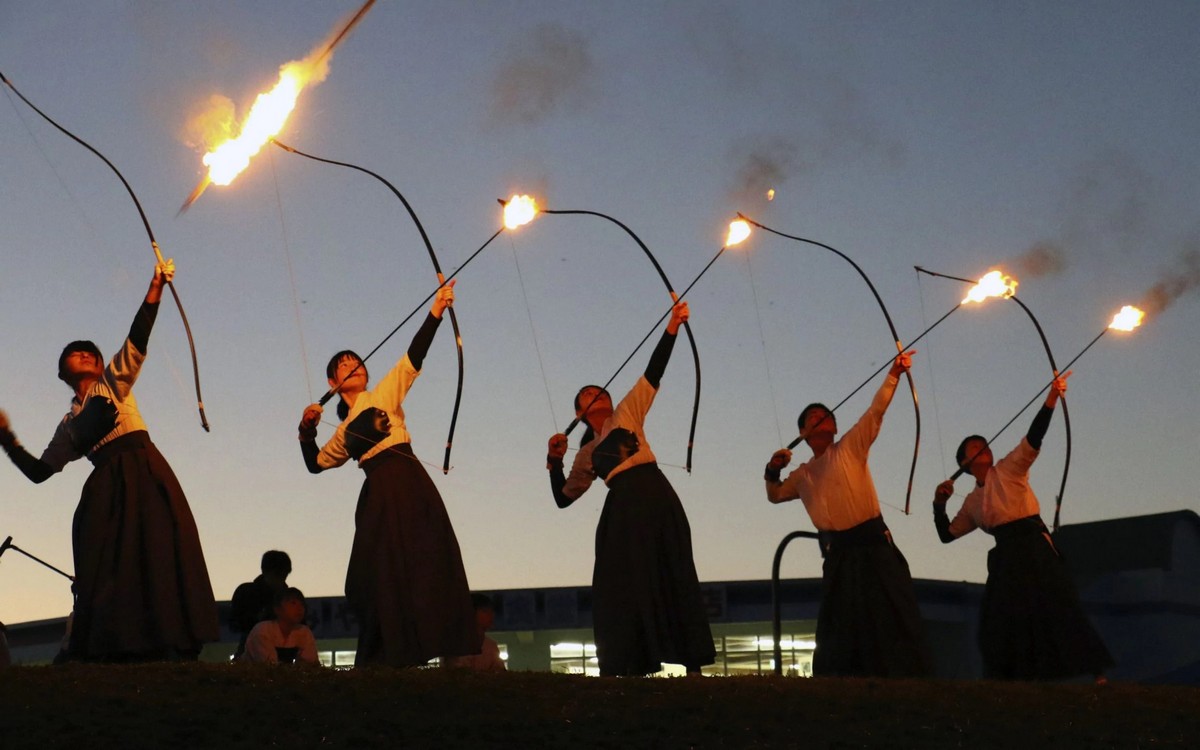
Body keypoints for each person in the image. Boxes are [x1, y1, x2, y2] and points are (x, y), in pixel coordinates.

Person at [0, 260, 218, 662]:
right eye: (74, 354)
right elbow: (40, 472)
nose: (84, 354)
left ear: (102, 365)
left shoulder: (112, 382)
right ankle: (114, 645)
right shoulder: (67, 426)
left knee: (158, 548)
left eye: (91, 353)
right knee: (104, 559)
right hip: (105, 483)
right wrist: (7, 438)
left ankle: (169, 640)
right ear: (62, 373)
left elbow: (137, 339)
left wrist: (155, 288)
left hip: (143, 468)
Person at [297, 281, 478, 667]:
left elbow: (413, 358)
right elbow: (316, 463)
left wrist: (436, 310)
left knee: (426, 557)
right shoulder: (343, 433)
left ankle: (433, 643)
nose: (353, 365)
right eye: (343, 365)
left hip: (409, 481)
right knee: (377, 569)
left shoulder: (383, 394)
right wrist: (306, 431)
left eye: (356, 361)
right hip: (378, 491)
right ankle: (387, 650)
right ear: (333, 384)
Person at [546, 301, 714, 677]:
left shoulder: (627, 411)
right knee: (619, 579)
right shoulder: (586, 452)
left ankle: (692, 664)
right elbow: (563, 498)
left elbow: (654, 371)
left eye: (599, 391)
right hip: (621, 504)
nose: (597, 395)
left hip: (653, 490)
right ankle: (626, 663)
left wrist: (672, 325)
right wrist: (554, 463)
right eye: (587, 396)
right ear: (579, 413)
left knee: (673, 565)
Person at [933, 373, 1112, 681]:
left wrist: (1051, 398)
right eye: (974, 447)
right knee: (1001, 614)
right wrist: (939, 505)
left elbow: (1033, 438)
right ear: (964, 463)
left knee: (1058, 603)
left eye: (983, 443)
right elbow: (947, 535)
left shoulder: (1009, 467)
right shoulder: (972, 502)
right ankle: (1013, 675)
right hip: (1006, 554)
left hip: (1033, 543)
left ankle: (1096, 672)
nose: (982, 447)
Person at [764, 351, 931, 678]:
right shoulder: (800, 475)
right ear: (802, 432)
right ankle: (840, 680)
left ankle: (907, 676)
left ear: (834, 425)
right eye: (812, 417)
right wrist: (772, 470)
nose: (819, 418)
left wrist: (894, 374)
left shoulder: (850, 447)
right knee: (841, 621)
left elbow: (875, 412)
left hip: (873, 546)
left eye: (824, 415)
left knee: (890, 613)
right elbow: (775, 495)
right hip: (838, 554)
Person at [230, 550, 292, 657]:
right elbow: (236, 623)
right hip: (256, 651)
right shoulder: (247, 593)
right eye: (278, 575)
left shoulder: (288, 597)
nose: (281, 580)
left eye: (284, 575)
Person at [240, 587, 319, 665]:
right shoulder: (263, 631)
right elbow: (269, 666)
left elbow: (310, 664)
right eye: (293, 603)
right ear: (277, 609)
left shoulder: (304, 632)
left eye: (302, 604)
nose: (299, 608)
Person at [442, 593, 506, 672]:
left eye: (492, 611)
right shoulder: (457, 645)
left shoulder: (491, 646)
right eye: (485, 611)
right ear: (471, 613)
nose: (491, 615)